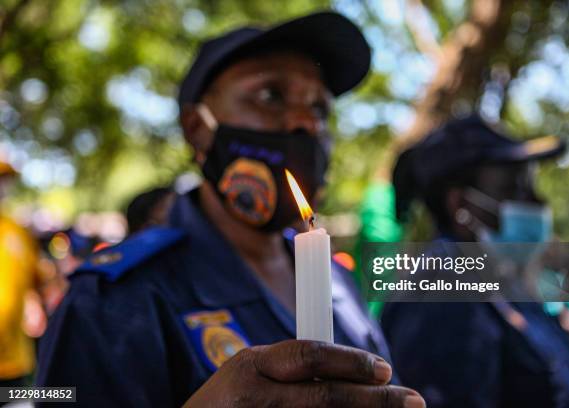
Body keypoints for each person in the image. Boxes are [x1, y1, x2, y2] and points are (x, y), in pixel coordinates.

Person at [36, 11, 424, 408]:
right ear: (197, 128)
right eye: (271, 95)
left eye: (320, 109)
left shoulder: (336, 280)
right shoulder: (112, 301)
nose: (306, 123)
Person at [383, 115, 569, 407]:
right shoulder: (440, 292)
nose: (538, 203)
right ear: (461, 206)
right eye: (514, 188)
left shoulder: (496, 279)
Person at [0, 159, 44, 392]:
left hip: (16, 363)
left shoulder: (18, 232)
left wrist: (35, 303)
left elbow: (37, 279)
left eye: (3, 180)